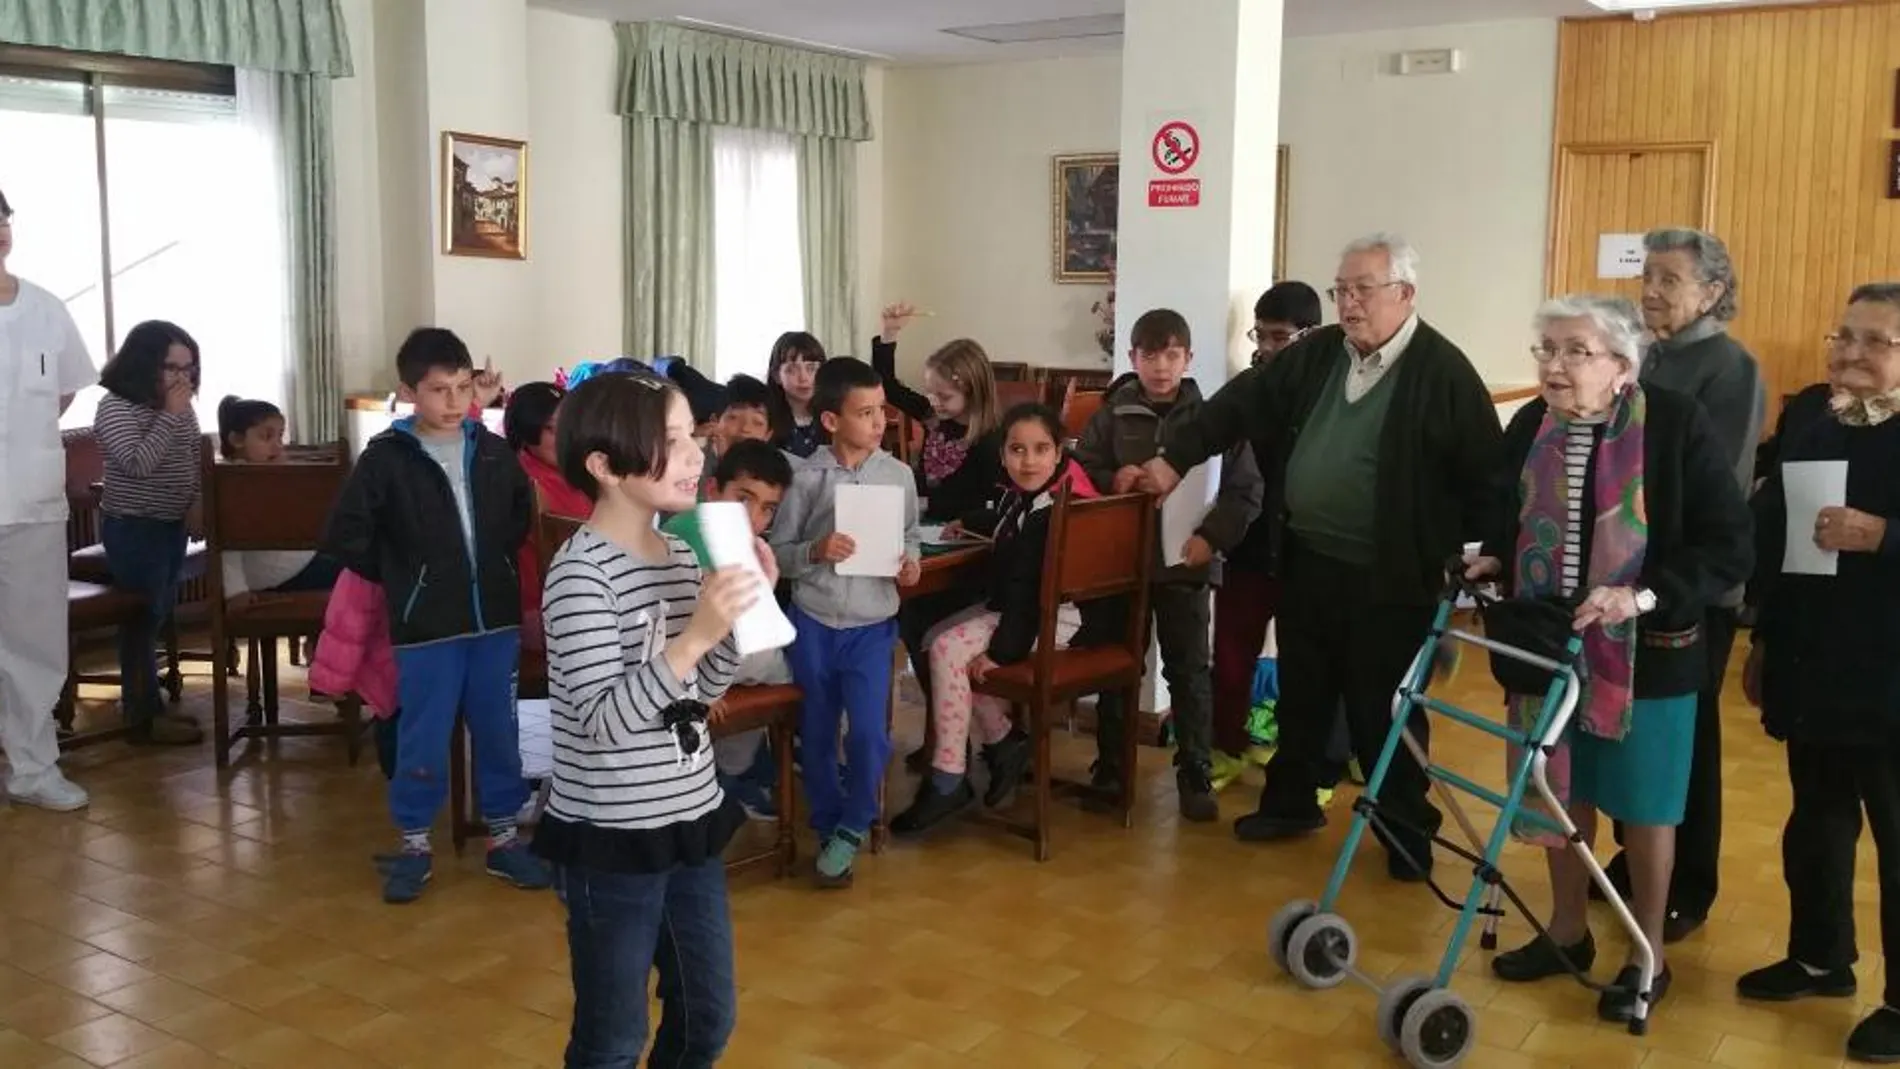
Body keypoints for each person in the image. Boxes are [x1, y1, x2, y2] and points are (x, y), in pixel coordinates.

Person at [1141, 233, 1500, 880]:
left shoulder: (1443, 373)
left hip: (1390, 573)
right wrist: (1174, 456)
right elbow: (1240, 404)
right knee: (1304, 692)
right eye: (1341, 290)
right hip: (1309, 556)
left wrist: (1470, 552)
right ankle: (1291, 803)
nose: (1349, 303)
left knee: (1380, 705)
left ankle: (1406, 830)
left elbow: (1488, 479)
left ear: (1405, 295)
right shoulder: (1317, 357)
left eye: (1364, 289)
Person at [1468, 295, 1751, 1022]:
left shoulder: (1676, 425)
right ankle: (1568, 928)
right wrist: (1493, 557)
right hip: (1547, 646)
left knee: (1647, 809)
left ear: (1623, 366)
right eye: (1546, 350)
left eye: (1575, 351)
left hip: (1649, 652)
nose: (1554, 366)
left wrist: (1642, 596)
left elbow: (1727, 544)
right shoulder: (1532, 423)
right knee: (1562, 795)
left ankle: (1644, 949)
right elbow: (1506, 509)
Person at [532, 372, 768, 1068]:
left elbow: (702, 692)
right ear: (604, 465)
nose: (698, 454)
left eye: (695, 435)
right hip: (610, 837)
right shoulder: (580, 575)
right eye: (671, 441)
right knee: (613, 1038)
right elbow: (605, 720)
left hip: (687, 819)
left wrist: (733, 619)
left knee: (708, 1016)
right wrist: (693, 634)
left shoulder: (682, 553)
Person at [324, 327, 549, 903]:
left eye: (462, 387)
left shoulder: (493, 449)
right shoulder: (386, 460)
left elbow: (521, 516)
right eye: (437, 390)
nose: (452, 403)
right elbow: (346, 535)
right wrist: (407, 576)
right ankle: (415, 844)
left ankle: (503, 840)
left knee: (499, 731)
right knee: (423, 735)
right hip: (426, 629)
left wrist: (495, 565)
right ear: (408, 392)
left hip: (494, 622)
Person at [1738, 283, 1900, 1063]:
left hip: (1892, 672)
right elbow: (1779, 540)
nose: (1852, 352)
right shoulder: (1809, 414)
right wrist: (1763, 638)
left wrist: (1884, 536)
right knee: (1818, 818)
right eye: (1845, 335)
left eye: (1877, 341)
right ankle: (1820, 955)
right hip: (1812, 655)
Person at [1597, 227, 1764, 942]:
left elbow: (1713, 484)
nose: (1652, 290)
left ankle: (1685, 885)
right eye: (1649, 276)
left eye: (1670, 279)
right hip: (1622, 579)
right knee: (1623, 726)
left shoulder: (1729, 367)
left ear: (1713, 291)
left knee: (1682, 744)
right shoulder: (1648, 356)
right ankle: (1635, 863)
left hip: (1686, 586)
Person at [1075, 308, 1263, 823]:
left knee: (1188, 669)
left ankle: (1195, 769)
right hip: (1120, 564)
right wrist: (1114, 479)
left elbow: (1246, 490)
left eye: (1172, 354)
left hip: (1186, 564)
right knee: (1118, 663)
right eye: (1150, 355)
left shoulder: (1214, 418)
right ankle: (1111, 764)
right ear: (1133, 358)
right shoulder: (1110, 415)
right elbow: (1081, 470)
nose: (1161, 366)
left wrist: (1212, 539)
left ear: (1189, 358)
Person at [891, 403, 1098, 834]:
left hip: (1057, 620)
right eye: (1018, 450)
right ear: (1002, 454)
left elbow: (1027, 594)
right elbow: (1010, 517)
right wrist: (971, 519)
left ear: (1059, 453)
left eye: (1041, 449)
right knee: (933, 638)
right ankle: (1003, 740)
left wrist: (1003, 653)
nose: (1029, 460)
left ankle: (948, 778)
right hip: (1025, 611)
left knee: (948, 649)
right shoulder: (1025, 495)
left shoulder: (1056, 511)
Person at [770, 357, 921, 888]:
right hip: (812, 621)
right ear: (832, 421)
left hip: (872, 625)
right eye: (865, 412)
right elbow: (778, 554)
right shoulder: (806, 478)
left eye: (881, 410)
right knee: (814, 732)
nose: (879, 422)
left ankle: (855, 823)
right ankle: (828, 822)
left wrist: (910, 562)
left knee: (867, 736)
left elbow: (912, 538)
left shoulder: (899, 475)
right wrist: (816, 549)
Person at [871, 304, 1008, 773]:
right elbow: (887, 389)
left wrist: (964, 519)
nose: (935, 403)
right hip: (934, 540)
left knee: (923, 622)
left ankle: (951, 740)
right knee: (909, 616)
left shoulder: (993, 441)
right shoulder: (934, 422)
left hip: (975, 555)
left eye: (945, 395)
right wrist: (888, 336)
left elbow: (1001, 506)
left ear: (972, 391)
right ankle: (944, 732)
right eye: (932, 393)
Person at [0, 185, 94, 811]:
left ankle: (34, 768)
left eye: (1, 218)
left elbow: (62, 394)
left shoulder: (46, 309)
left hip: (30, 501)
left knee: (33, 641)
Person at [1212, 281, 1323, 790]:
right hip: (1250, 548)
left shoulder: (1328, 393)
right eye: (1261, 335)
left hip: (1307, 552)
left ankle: (1305, 770)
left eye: (1280, 337)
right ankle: (1226, 749)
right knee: (1232, 656)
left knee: (1309, 669)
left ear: (1311, 335)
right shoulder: (1247, 389)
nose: (1267, 348)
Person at [661, 439, 796, 818]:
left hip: (729, 657)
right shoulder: (687, 533)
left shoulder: (746, 543)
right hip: (692, 665)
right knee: (784, 670)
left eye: (767, 509)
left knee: (783, 664)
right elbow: (674, 623)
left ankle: (742, 767)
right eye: (742, 499)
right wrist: (702, 688)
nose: (753, 517)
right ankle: (736, 771)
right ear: (711, 490)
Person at [94, 320, 208, 746]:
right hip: (134, 527)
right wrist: (168, 416)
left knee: (157, 613)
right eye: (171, 368)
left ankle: (147, 705)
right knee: (141, 619)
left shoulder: (180, 407)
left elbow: (194, 456)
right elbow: (138, 463)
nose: (182, 378)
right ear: (145, 366)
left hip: (171, 524)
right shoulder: (115, 407)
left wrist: (196, 502)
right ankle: (141, 716)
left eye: (189, 368)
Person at [216, 396, 343, 602]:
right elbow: (227, 546)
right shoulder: (234, 482)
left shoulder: (261, 474)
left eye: (280, 437)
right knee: (366, 570)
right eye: (266, 437)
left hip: (296, 565)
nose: (278, 447)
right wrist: (236, 591)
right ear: (237, 440)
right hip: (284, 575)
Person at [765, 332, 828, 458]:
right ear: (777, 376)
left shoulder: (835, 416)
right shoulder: (766, 420)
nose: (803, 378)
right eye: (792, 370)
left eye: (811, 368)